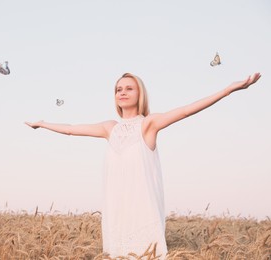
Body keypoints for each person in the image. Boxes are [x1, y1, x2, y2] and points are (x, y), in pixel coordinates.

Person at [25, 72, 261, 259]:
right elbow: (70, 129)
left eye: (129, 88)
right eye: (118, 89)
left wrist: (229, 90)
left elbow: (188, 110)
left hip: (143, 214)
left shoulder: (149, 124)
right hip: (116, 214)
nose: (122, 92)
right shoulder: (110, 128)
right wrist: (43, 124)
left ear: (140, 94)